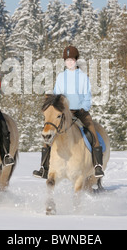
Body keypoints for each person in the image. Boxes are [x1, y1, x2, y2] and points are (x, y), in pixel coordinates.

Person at [33, 45, 104, 179]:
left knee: (92, 131)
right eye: (67, 60)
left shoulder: (83, 77)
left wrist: (84, 107)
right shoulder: (61, 77)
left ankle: (97, 165)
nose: (69, 62)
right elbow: (56, 95)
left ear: (76, 60)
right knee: (48, 134)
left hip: (79, 111)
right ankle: (44, 167)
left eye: (71, 59)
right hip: (63, 112)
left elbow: (87, 96)